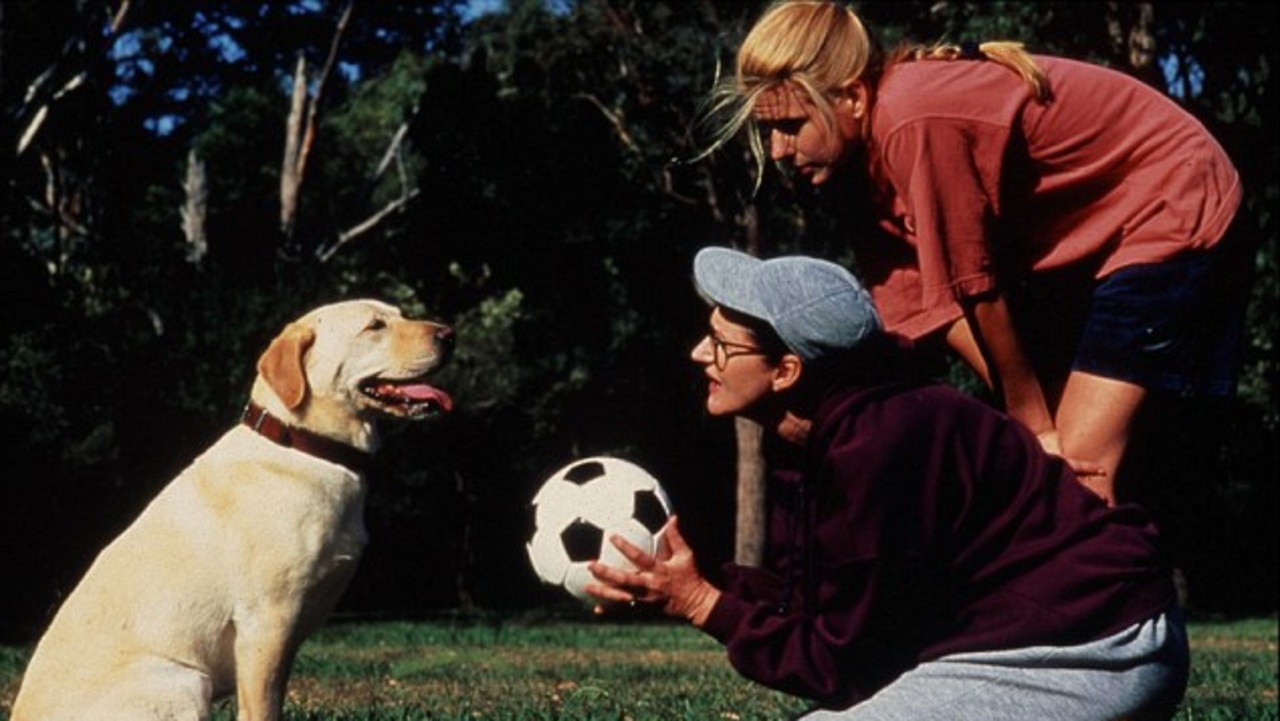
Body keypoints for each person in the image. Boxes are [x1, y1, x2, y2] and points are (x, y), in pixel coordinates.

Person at [587, 246, 1188, 720]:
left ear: (788, 370)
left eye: (720, 344)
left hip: (1091, 650)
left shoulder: (878, 446)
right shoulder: (832, 434)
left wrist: (700, 603)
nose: (698, 354)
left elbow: (842, 664)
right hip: (1043, 636)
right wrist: (686, 581)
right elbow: (826, 613)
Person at [701, 0, 1249, 505]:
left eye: (790, 126)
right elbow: (923, 315)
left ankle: (1110, 602)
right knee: (1047, 459)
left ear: (852, 96)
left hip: (1172, 204)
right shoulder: (857, 174)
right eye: (767, 130)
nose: (777, 150)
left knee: (1076, 478)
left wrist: (1037, 427)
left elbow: (977, 286)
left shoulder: (913, 117)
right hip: (1094, 251)